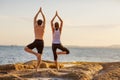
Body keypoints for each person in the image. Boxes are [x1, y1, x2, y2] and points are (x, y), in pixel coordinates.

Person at [24, 7, 46, 71]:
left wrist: (38, 11)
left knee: (26, 48)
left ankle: (35, 54)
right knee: (40, 56)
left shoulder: (35, 26)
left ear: (37, 22)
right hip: (41, 42)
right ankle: (37, 68)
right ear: (42, 23)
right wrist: (42, 12)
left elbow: (34, 18)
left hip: (36, 41)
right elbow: (44, 19)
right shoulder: (43, 27)